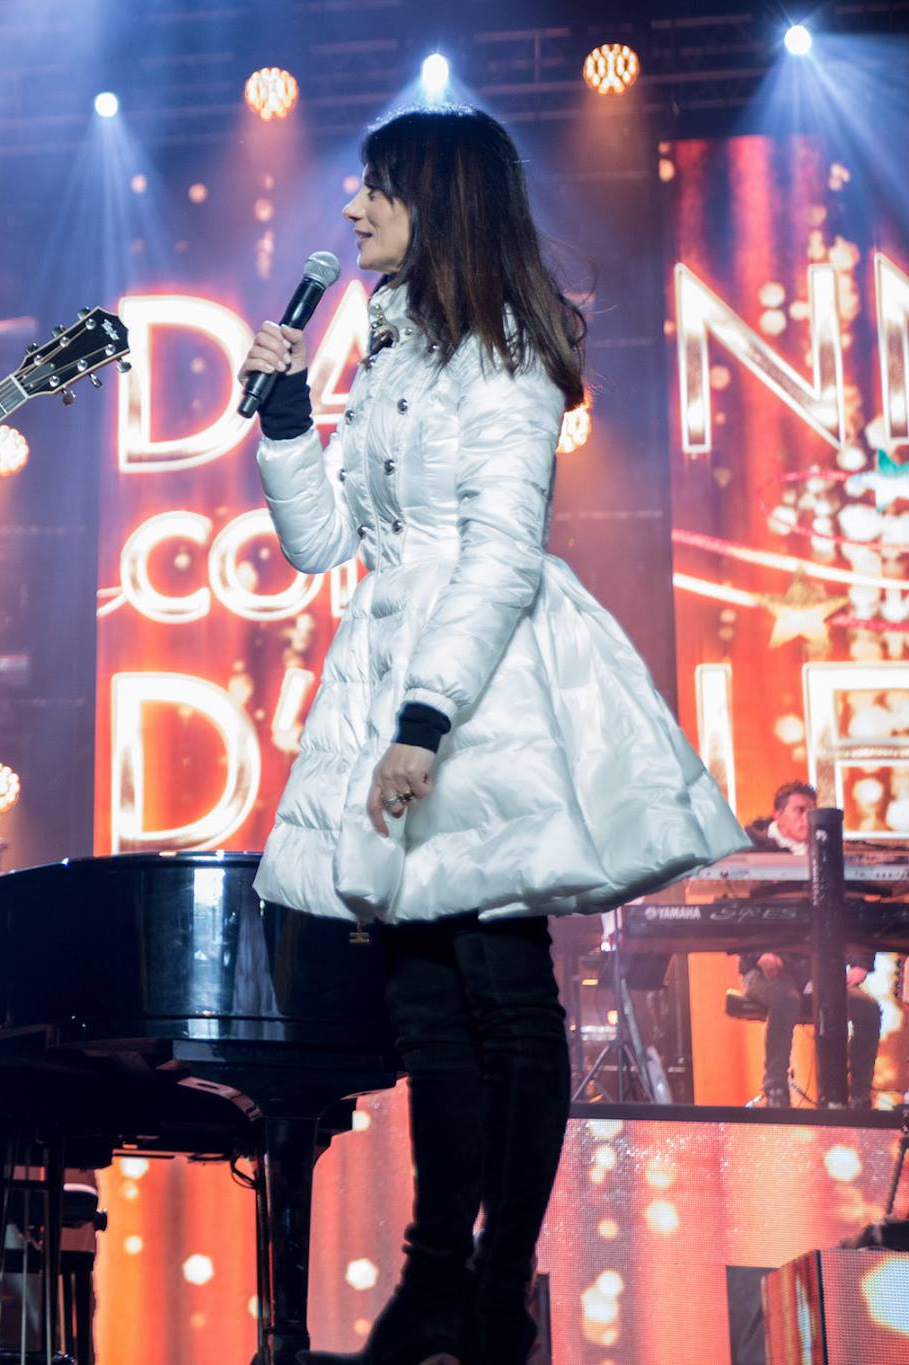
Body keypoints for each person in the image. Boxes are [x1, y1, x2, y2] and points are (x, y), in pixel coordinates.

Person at [240, 108, 747, 1365]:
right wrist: (289, 417)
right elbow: (322, 548)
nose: (349, 212)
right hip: (392, 657)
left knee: (502, 994)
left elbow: (498, 553)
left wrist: (424, 721)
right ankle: (433, 1283)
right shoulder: (394, 351)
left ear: (437, 199)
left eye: (373, 192)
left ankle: (492, 1285)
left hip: (483, 682)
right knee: (423, 1010)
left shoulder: (506, 355)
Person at [737, 781, 880, 1106]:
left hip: (817, 971)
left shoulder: (828, 853)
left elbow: (854, 910)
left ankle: (859, 1096)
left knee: (868, 1009)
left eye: (810, 812)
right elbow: (734, 913)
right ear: (778, 814)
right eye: (799, 810)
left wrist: (859, 961)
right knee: (784, 998)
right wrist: (760, 953)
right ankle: (775, 1090)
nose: (806, 818)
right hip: (768, 972)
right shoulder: (751, 853)